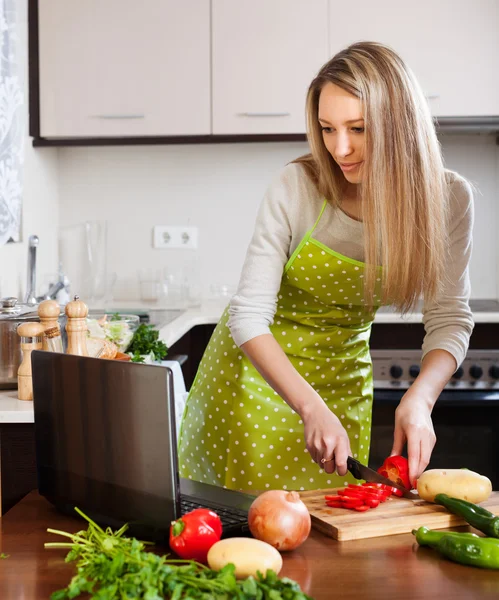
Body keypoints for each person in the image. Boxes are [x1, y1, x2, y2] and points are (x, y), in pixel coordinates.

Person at [177, 41, 474, 492]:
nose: (340, 148)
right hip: (258, 381)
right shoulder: (297, 187)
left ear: (400, 126)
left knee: (332, 539)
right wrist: (309, 407)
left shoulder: (449, 200)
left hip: (343, 381)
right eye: (327, 128)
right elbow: (248, 315)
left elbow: (450, 318)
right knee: (257, 533)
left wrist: (420, 399)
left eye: (358, 128)